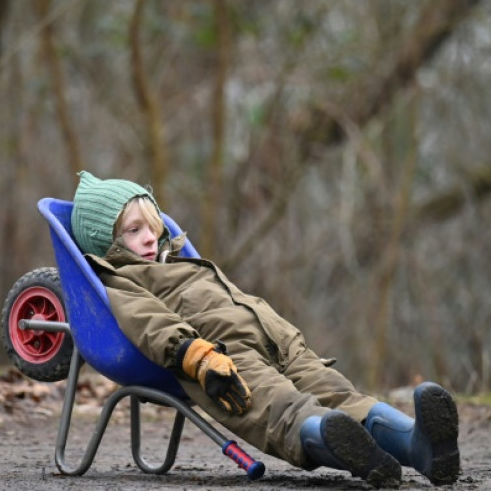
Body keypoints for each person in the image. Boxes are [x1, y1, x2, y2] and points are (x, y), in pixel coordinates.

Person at [70, 171, 460, 488]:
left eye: (151, 225)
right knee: (281, 408)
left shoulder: (174, 260)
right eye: (133, 231)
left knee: (341, 394)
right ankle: (339, 442)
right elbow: (149, 321)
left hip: (281, 345)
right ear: (106, 242)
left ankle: (421, 445)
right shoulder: (120, 279)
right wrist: (198, 356)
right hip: (225, 358)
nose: (150, 236)